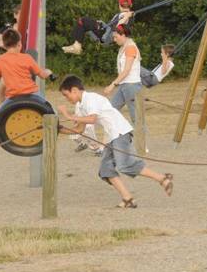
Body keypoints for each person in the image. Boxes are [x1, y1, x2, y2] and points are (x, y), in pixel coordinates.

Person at [58, 75, 173, 208]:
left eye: (66, 95)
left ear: (74, 90)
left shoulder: (90, 98)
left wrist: (68, 115)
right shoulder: (82, 105)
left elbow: (92, 119)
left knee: (125, 165)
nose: (66, 99)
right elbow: (79, 130)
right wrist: (58, 129)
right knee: (106, 170)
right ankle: (128, 199)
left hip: (120, 132)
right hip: (112, 136)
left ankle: (163, 178)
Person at [0, 29, 54, 114]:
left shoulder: (0, 59)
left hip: (13, 98)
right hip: (32, 94)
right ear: (19, 44)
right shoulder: (27, 57)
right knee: (51, 111)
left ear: (4, 45)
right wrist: (49, 72)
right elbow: (42, 75)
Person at [62, 0, 135, 55]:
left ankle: (77, 46)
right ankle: (76, 44)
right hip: (106, 33)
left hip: (107, 36)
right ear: (131, 4)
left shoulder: (126, 16)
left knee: (84, 20)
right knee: (82, 23)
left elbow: (119, 27)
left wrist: (127, 16)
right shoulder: (123, 15)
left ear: (119, 4)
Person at [104, 24, 142, 124]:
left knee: (137, 119)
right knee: (110, 110)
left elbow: (126, 70)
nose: (114, 40)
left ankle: (140, 139)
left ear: (124, 35)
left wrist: (112, 85)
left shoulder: (130, 47)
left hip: (131, 86)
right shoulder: (124, 47)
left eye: (116, 37)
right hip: (124, 85)